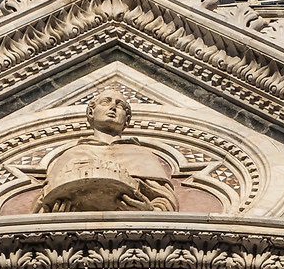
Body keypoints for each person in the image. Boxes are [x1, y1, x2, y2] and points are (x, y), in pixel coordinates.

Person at [37, 91, 179, 212]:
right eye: (106, 102)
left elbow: (166, 201)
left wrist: (150, 210)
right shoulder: (71, 154)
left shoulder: (142, 155)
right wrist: (53, 211)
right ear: (91, 112)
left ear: (127, 119)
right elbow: (42, 204)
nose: (113, 107)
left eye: (120, 105)